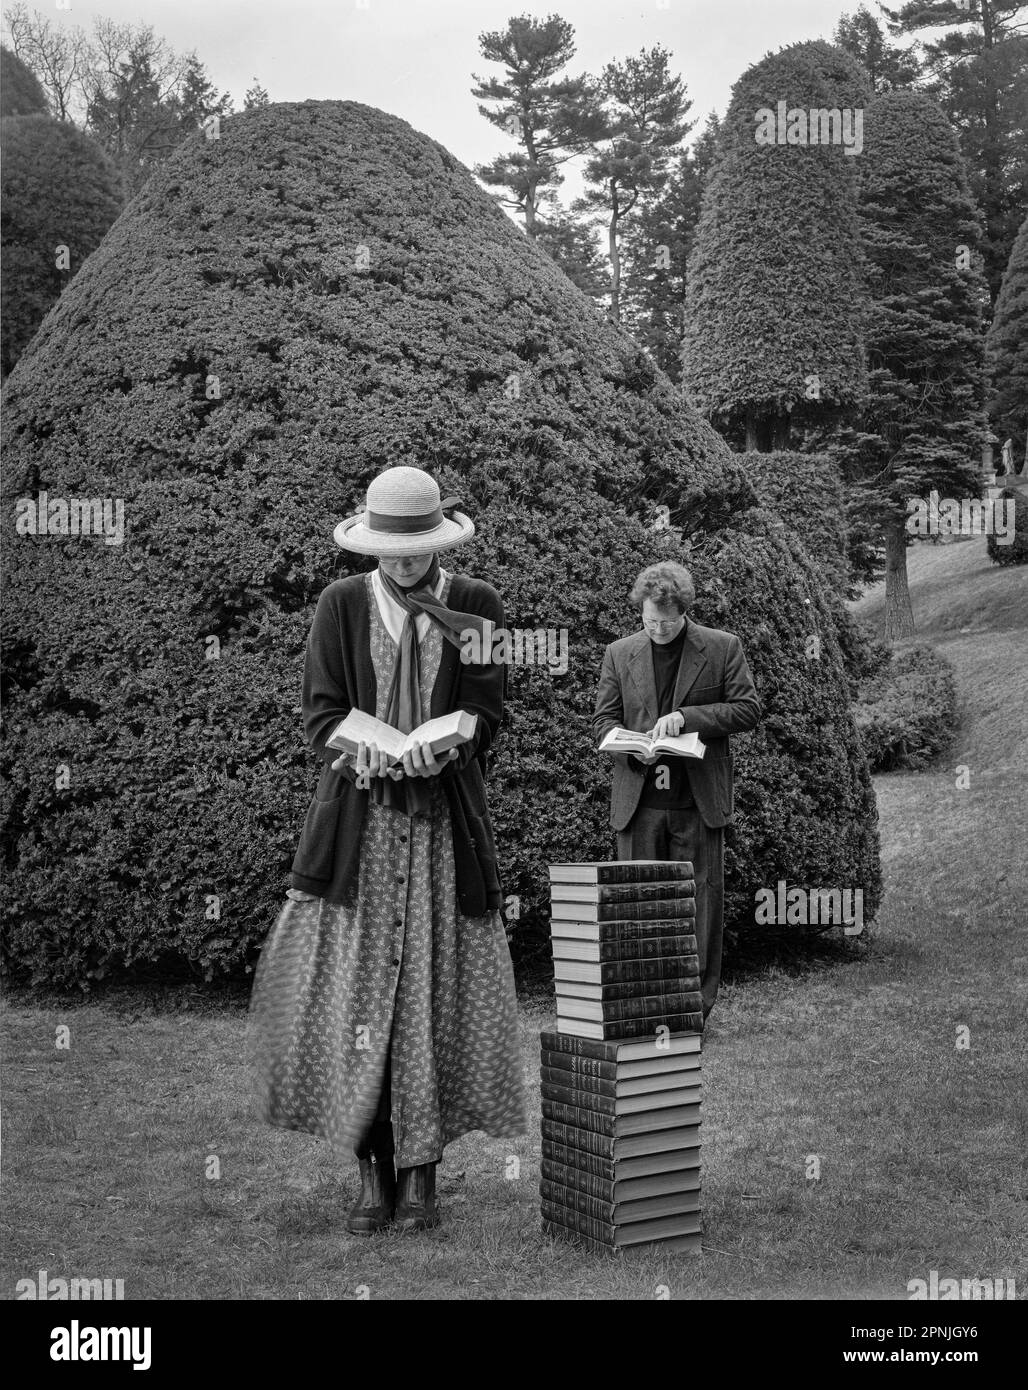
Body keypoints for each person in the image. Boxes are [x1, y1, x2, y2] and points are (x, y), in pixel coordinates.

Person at [248, 465, 527, 1235]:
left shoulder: (475, 606)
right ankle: (371, 1168)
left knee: (430, 995)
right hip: (361, 833)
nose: (403, 566)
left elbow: (488, 712)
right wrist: (360, 750)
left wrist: (453, 745)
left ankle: (424, 1174)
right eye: (390, 553)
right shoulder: (340, 606)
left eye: (416, 552)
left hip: (442, 832)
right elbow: (321, 715)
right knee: (361, 1003)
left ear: (439, 542)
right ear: (370, 545)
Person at [592, 561, 761, 1022]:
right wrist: (631, 750)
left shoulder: (723, 647)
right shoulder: (618, 652)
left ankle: (692, 1012)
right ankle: (641, 1009)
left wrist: (690, 717)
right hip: (639, 805)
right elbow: (603, 721)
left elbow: (748, 709)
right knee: (638, 909)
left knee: (699, 910)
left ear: (684, 611)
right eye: (649, 621)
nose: (658, 629)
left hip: (697, 803)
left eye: (666, 621)